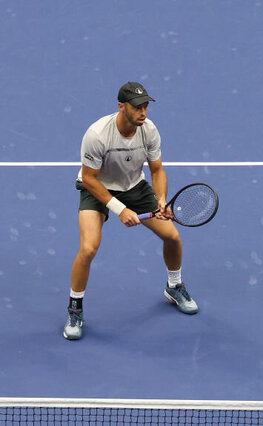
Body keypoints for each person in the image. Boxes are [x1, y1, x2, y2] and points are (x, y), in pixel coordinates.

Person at [63, 82, 198, 341]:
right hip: (97, 188)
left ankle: (174, 286)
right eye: (137, 107)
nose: (143, 112)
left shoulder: (149, 131)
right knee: (89, 247)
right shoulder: (97, 134)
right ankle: (74, 307)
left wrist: (161, 199)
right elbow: (90, 179)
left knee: (172, 236)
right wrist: (119, 208)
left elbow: (157, 170)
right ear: (121, 106)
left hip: (134, 187)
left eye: (146, 105)